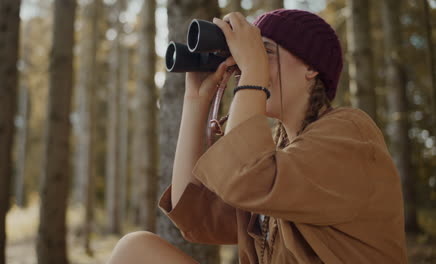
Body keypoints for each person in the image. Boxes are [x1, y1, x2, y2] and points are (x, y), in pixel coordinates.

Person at [107, 8, 408, 264]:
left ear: (311, 69)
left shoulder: (350, 132)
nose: (248, 66)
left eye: (265, 53)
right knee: (135, 249)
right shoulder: (278, 150)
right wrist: (195, 101)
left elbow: (246, 179)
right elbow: (196, 219)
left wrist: (252, 69)